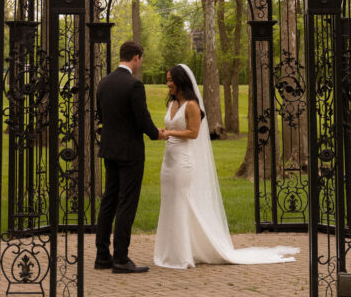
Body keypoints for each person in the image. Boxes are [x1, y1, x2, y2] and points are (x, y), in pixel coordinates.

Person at [153, 63, 300, 269]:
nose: (168, 83)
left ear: (180, 82)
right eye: (167, 79)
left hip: (183, 162)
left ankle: (182, 255)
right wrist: (163, 133)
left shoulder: (192, 105)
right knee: (170, 203)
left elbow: (193, 133)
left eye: (170, 80)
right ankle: (170, 251)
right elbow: (173, 129)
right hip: (169, 160)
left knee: (181, 203)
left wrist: (170, 133)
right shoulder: (171, 104)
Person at [95, 40, 167, 273]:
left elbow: (101, 115)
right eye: (141, 60)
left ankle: (102, 256)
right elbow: (142, 119)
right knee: (127, 202)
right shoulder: (134, 85)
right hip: (130, 153)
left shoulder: (104, 83)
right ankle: (121, 258)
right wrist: (156, 134)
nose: (140, 64)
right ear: (136, 57)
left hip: (109, 150)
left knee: (109, 201)